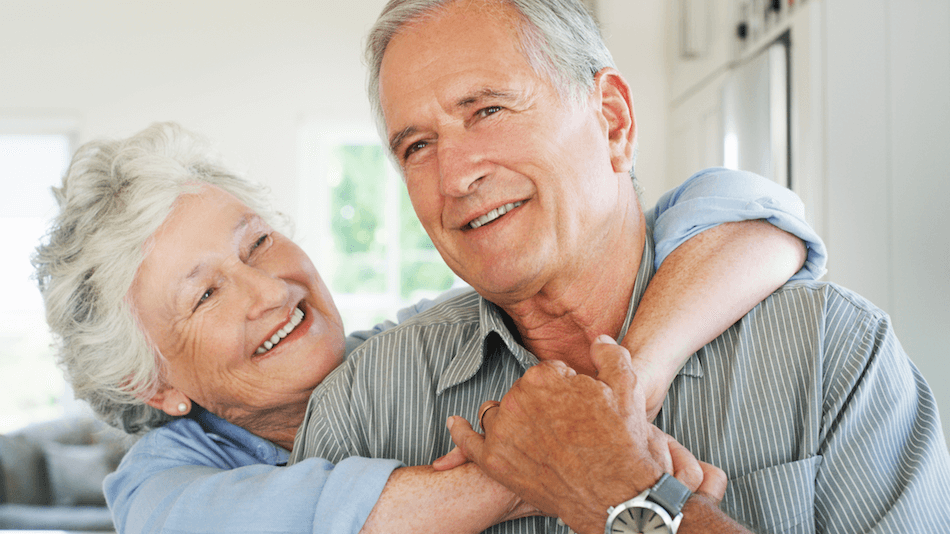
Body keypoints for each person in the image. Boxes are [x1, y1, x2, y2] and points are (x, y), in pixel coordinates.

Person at [289, 0, 950, 532]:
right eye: (417, 145)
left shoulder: (834, 355)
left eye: (486, 109)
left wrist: (627, 496)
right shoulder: (363, 406)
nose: (456, 175)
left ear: (612, 122)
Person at [33, 122, 821, 534]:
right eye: (205, 296)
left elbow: (747, 212)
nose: (268, 289)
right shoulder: (159, 490)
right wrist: (562, 469)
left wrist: (633, 387)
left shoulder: (415, 356)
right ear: (155, 384)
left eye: (258, 242)